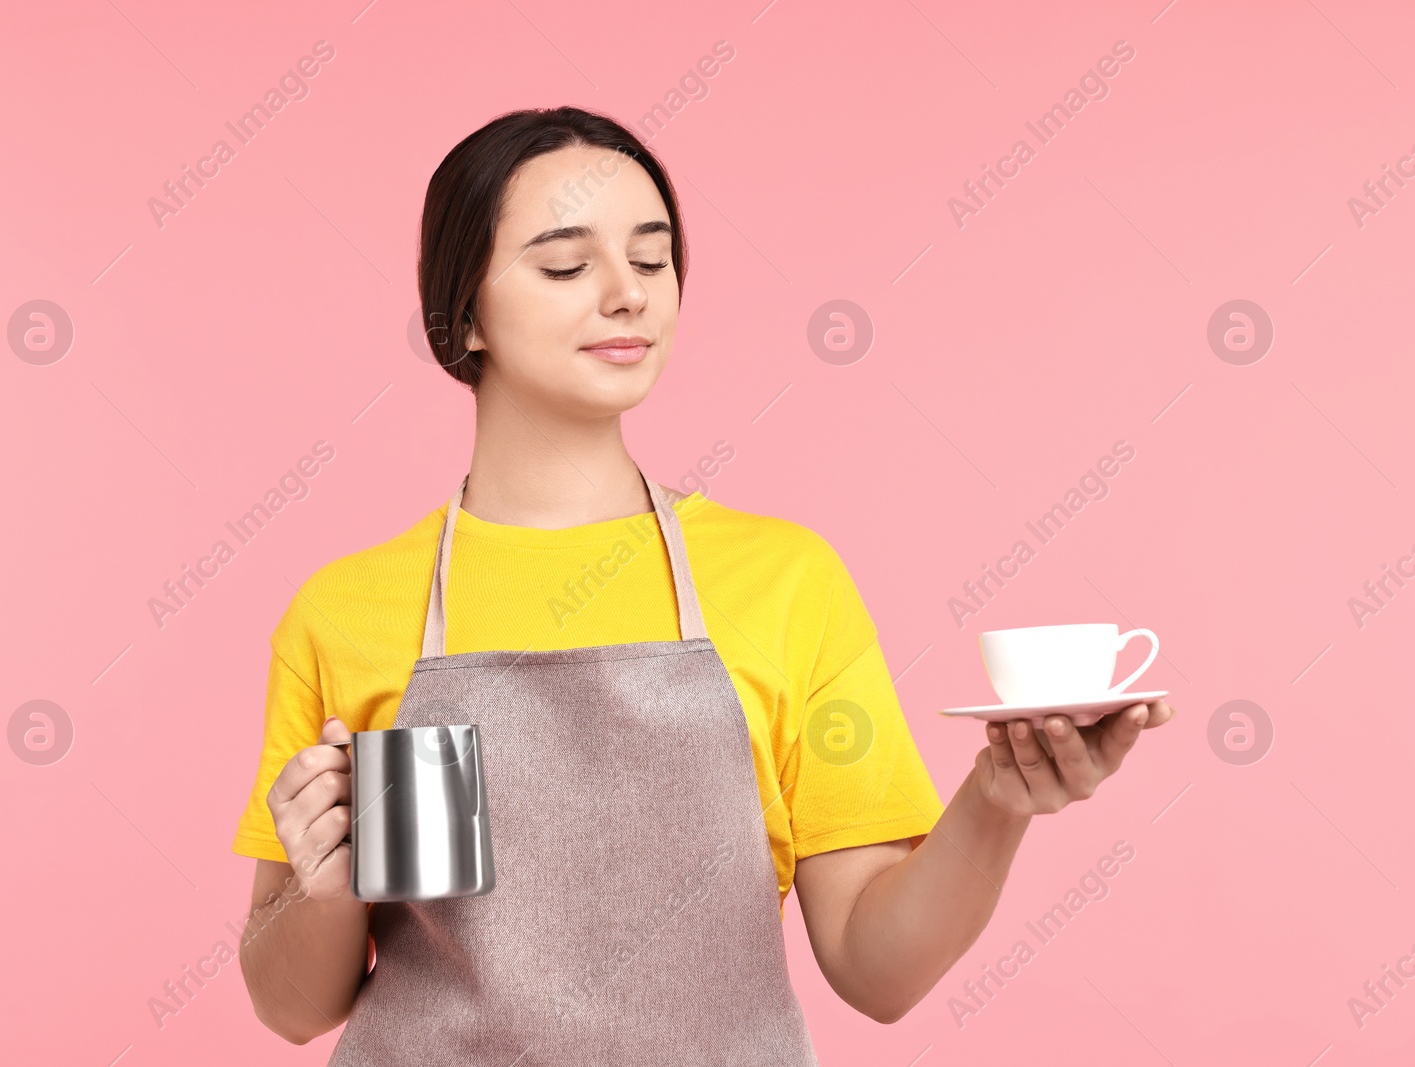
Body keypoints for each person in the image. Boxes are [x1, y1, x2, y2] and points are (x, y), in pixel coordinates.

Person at [231, 106, 1176, 1063]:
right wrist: (326, 884)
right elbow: (293, 1007)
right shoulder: (345, 612)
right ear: (463, 312)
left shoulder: (784, 581)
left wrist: (999, 797)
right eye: (567, 266)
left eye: (651, 260)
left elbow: (875, 968)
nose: (626, 294)